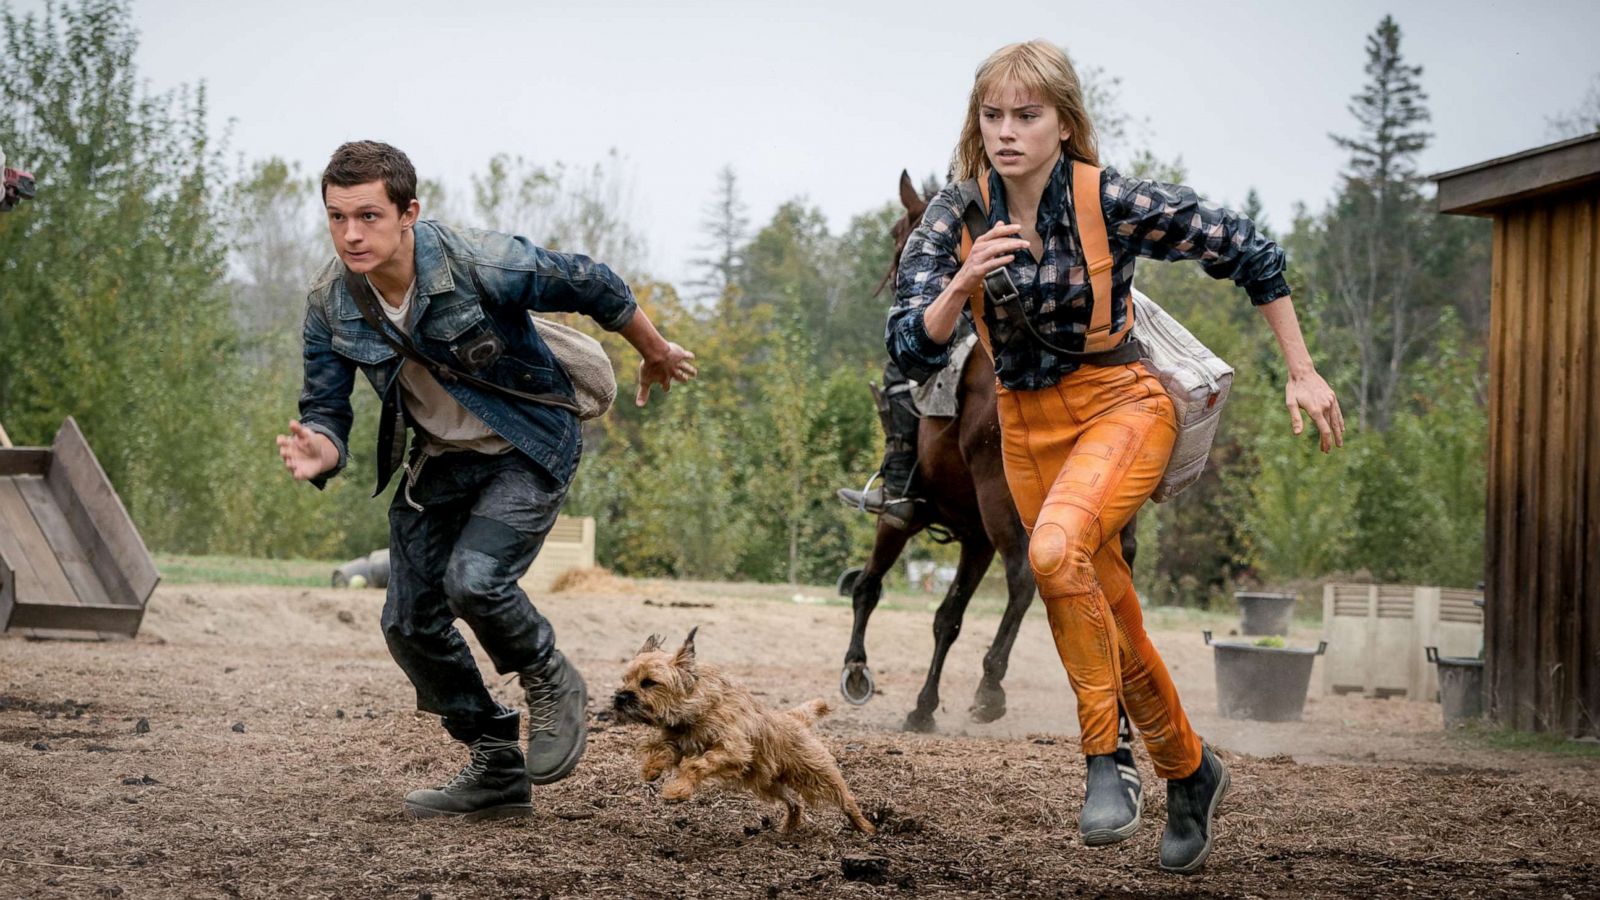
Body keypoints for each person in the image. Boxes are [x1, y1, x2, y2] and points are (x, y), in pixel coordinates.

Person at [887, 42, 1343, 874]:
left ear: (1064, 121)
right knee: (1110, 612)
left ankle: (1107, 761)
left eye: (1027, 115)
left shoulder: (1111, 198)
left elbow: (1248, 248)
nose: (1007, 132)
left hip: (1121, 404)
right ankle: (1193, 771)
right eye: (993, 116)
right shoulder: (953, 216)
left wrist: (1302, 370)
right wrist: (960, 286)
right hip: (1025, 426)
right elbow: (908, 347)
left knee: (1054, 551)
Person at [277, 141, 696, 821]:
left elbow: (592, 282)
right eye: (336, 217)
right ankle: (496, 759)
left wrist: (652, 350)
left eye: (368, 216)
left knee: (474, 580)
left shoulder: (476, 261)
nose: (351, 234)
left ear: (408, 212)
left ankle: (549, 676)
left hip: (526, 445)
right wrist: (322, 448)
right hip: (441, 461)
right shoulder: (331, 303)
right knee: (409, 624)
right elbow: (324, 407)